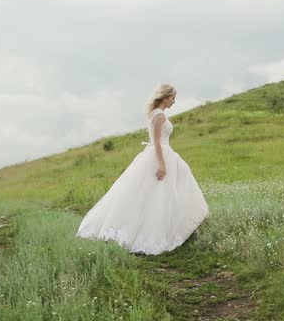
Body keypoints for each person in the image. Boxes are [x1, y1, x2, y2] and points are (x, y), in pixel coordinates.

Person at [76, 84, 209, 254]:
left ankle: (176, 228)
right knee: (159, 194)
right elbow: (157, 142)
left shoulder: (157, 114)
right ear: (165, 97)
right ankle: (158, 234)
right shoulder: (159, 115)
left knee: (162, 191)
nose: (174, 102)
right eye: (173, 98)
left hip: (161, 154)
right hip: (160, 155)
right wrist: (162, 164)